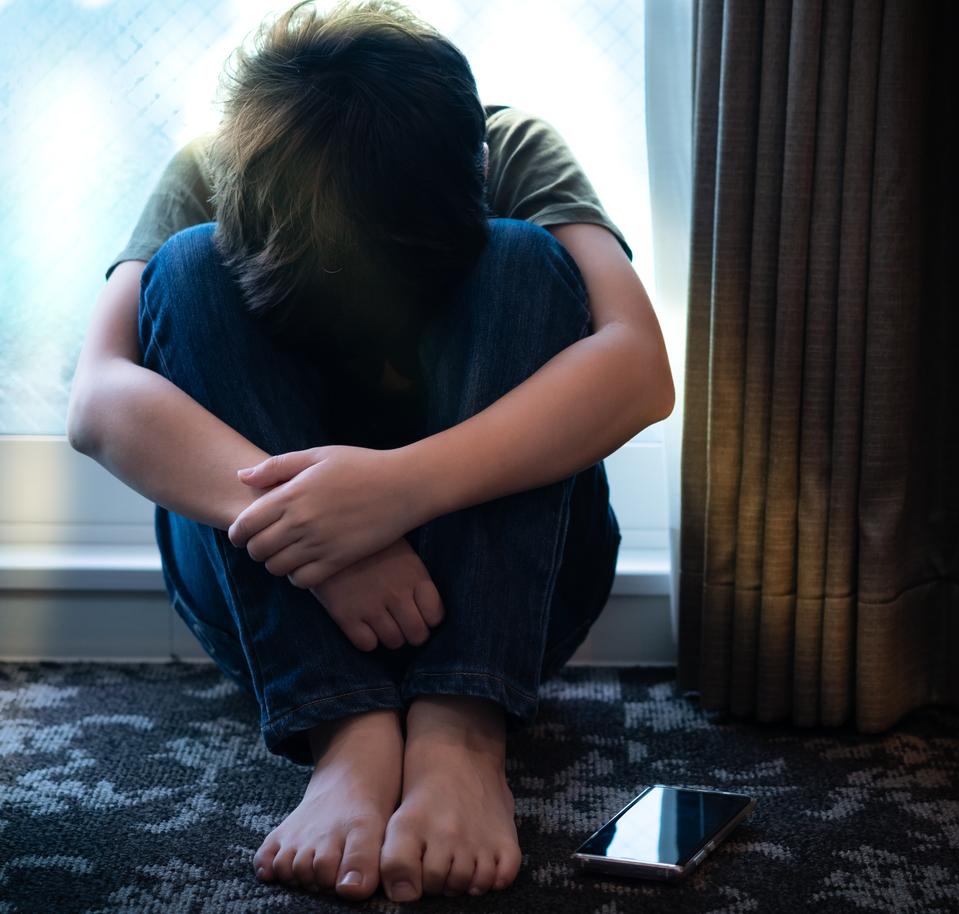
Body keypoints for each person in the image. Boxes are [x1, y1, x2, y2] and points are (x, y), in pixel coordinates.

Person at [64, 0, 675, 903]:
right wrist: (315, 541)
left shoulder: (503, 149)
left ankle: (461, 730)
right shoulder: (225, 159)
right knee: (188, 266)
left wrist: (396, 491)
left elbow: (640, 371)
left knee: (525, 259)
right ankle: (345, 732)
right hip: (283, 600)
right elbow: (97, 399)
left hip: (504, 595)